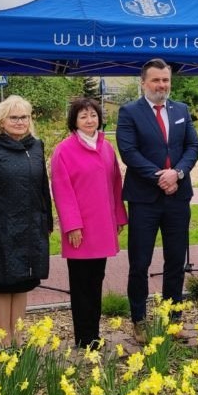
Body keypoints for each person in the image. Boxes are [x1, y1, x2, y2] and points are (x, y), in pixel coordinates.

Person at [116, 59, 198, 344]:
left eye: (165, 80)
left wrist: (176, 173)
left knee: (176, 260)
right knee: (140, 261)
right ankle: (139, 319)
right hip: (145, 199)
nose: (161, 85)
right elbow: (128, 151)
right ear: (143, 82)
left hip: (178, 196)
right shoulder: (129, 112)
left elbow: (193, 146)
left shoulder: (181, 110)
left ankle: (173, 318)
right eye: (156, 81)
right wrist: (159, 177)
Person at [0, 96, 52, 347]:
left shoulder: (36, 146)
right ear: (2, 121)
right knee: (3, 284)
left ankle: (17, 337)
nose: (20, 122)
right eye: (14, 117)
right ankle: (3, 339)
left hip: (30, 227)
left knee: (22, 284)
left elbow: (43, 188)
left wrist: (47, 221)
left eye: (24, 117)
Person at [51, 97, 126, 349]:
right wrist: (71, 225)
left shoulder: (107, 148)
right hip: (80, 230)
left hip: (103, 226)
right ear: (74, 121)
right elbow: (62, 190)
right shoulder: (64, 149)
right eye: (83, 116)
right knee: (81, 284)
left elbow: (116, 184)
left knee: (96, 280)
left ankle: (94, 333)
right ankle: (84, 338)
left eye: (93, 115)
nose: (89, 120)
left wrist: (119, 215)